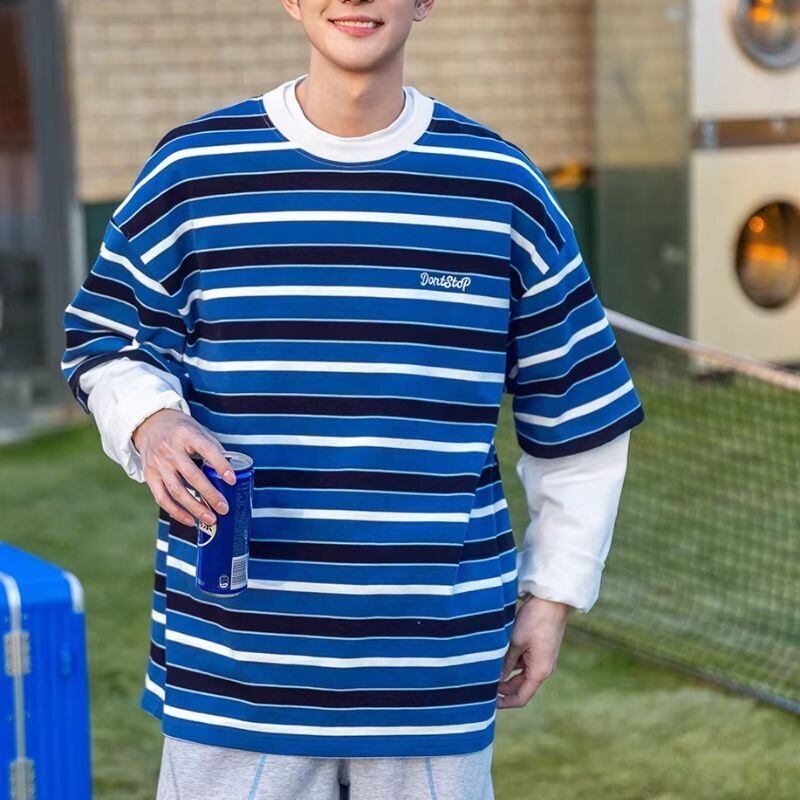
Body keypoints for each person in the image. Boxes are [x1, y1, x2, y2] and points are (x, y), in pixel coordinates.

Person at [60, 1, 644, 797]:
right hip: (234, 667)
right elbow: (104, 339)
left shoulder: (502, 187)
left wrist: (552, 596)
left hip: (432, 673)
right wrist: (151, 421)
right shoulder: (194, 170)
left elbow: (581, 416)